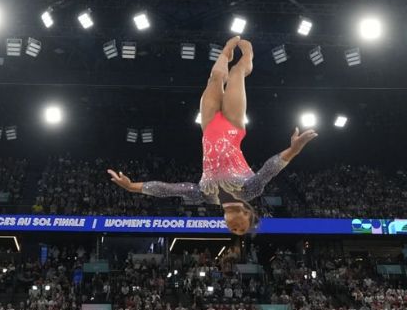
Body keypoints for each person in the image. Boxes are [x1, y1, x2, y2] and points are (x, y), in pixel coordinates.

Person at [108, 36, 317, 235]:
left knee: (215, 78)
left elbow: (169, 189)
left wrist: (132, 187)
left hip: (208, 127)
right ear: (248, 214)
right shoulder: (249, 192)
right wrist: (294, 150)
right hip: (234, 126)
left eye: (232, 230)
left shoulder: (206, 196)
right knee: (235, 73)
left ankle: (226, 52)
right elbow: (268, 170)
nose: (235, 229)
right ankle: (247, 60)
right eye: (241, 229)